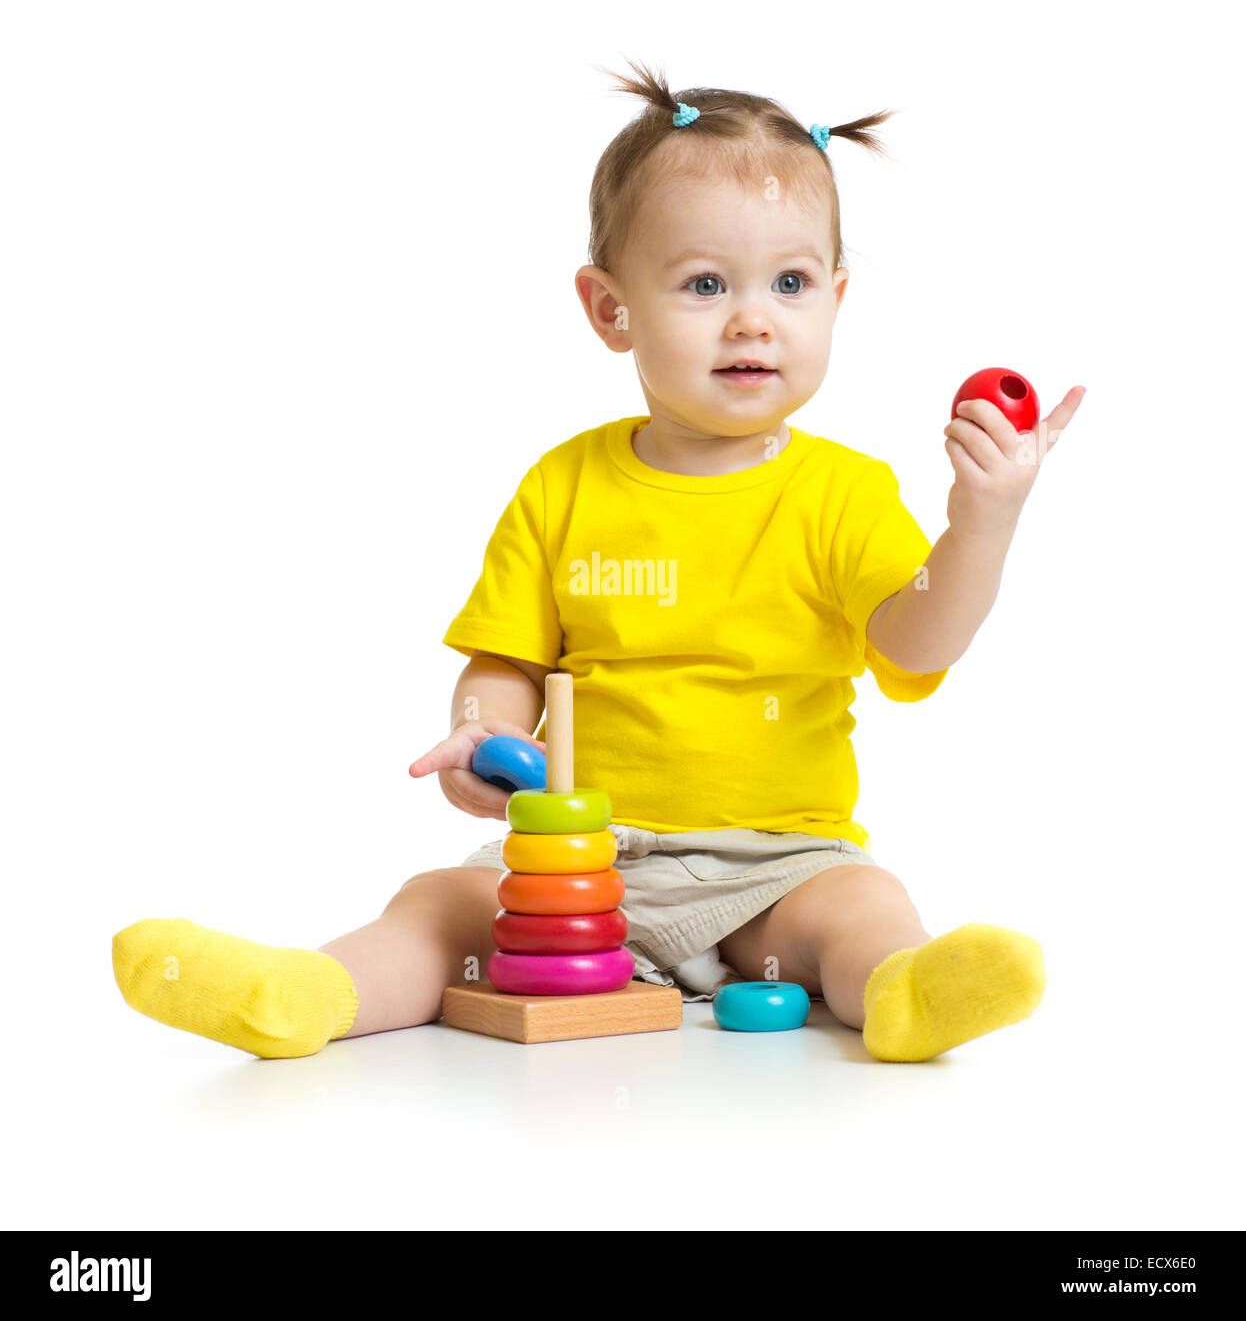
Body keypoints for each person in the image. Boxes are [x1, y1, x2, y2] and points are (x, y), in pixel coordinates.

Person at [113, 57, 1084, 1062]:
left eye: (789, 283)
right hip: (571, 859)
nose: (752, 317)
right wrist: (477, 738)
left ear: (835, 299)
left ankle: (906, 988)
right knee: (441, 907)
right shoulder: (562, 485)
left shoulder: (843, 491)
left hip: (778, 863)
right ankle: (304, 989)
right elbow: (503, 667)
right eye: (705, 283)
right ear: (608, 308)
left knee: (860, 906)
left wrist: (981, 523)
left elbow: (918, 640)